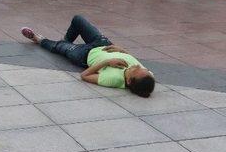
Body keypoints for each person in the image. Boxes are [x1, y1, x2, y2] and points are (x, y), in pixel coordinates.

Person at [21, 16, 155, 98]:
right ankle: (65, 41)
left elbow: (84, 75)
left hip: (84, 54)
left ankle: (39, 39)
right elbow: (143, 70)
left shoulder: (113, 79)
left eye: (135, 69)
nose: (137, 65)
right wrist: (123, 50)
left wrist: (107, 62)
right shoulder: (146, 76)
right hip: (104, 44)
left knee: (58, 48)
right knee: (78, 19)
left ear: (129, 81)